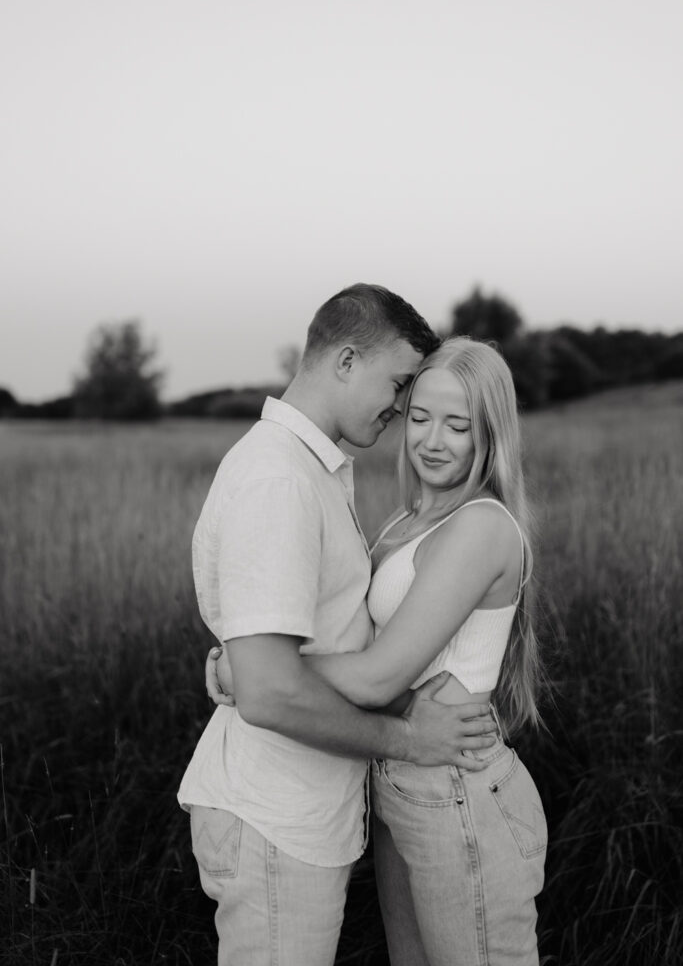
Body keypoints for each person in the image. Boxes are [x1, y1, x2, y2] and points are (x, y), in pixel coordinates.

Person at [178, 285, 499, 966]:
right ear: (346, 360)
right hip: (275, 817)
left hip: (293, 810)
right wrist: (407, 741)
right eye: (399, 383)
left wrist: (243, 667)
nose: (401, 406)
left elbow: (279, 663)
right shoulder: (281, 480)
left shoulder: (309, 470)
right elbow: (269, 692)